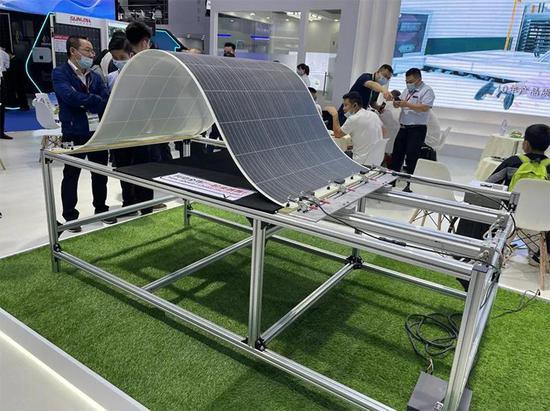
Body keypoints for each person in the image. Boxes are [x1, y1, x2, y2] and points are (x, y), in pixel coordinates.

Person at [456, 124, 550, 270]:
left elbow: (489, 183)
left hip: (510, 217)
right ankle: (538, 255)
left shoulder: (513, 162)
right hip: (542, 220)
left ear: (526, 144)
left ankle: (485, 250)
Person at [52, 36, 115, 231]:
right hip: (73, 131)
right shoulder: (60, 73)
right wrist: (92, 99)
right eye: (87, 50)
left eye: (92, 51)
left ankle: (101, 209)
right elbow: (69, 97)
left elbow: (105, 100)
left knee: (100, 172)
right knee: (71, 174)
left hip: (96, 131)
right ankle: (70, 217)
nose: (92, 54)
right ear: (73, 51)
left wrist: (86, 100)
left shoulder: (94, 76)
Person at [390, 68, 435, 186]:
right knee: (397, 155)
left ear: (419, 79)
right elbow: (402, 103)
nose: (408, 84)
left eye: (410, 81)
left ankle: (410, 185)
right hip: (403, 127)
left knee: (412, 157)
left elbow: (425, 107)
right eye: (406, 82)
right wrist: (396, 103)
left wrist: (407, 104)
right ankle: (391, 182)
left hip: (417, 129)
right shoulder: (407, 90)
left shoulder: (427, 91)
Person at [325, 91, 384, 165]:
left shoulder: (353, 118)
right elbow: (383, 131)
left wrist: (335, 115)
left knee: (334, 156)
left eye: (346, 105)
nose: (343, 109)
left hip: (361, 160)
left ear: (355, 105)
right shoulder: (373, 114)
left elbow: (337, 134)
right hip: (377, 159)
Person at [0, 46, 12, 140]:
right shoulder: (3, 54)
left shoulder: (3, 54)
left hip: (1, 80)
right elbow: (7, 66)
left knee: (1, 108)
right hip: (1, 79)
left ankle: (1, 132)